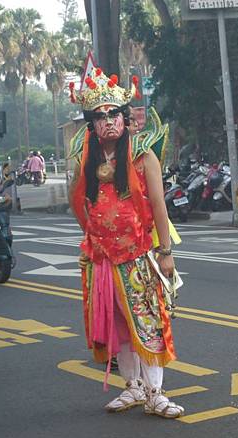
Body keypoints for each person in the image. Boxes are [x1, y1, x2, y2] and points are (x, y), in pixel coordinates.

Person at [67, 67, 184, 418]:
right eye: (100, 117)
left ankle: (156, 393)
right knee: (117, 326)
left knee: (148, 325)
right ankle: (132, 388)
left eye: (113, 114)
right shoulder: (85, 160)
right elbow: (79, 204)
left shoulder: (143, 156)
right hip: (102, 260)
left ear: (125, 117)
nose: (108, 122)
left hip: (137, 258)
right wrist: (93, 239)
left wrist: (165, 252)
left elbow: (159, 207)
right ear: (92, 124)